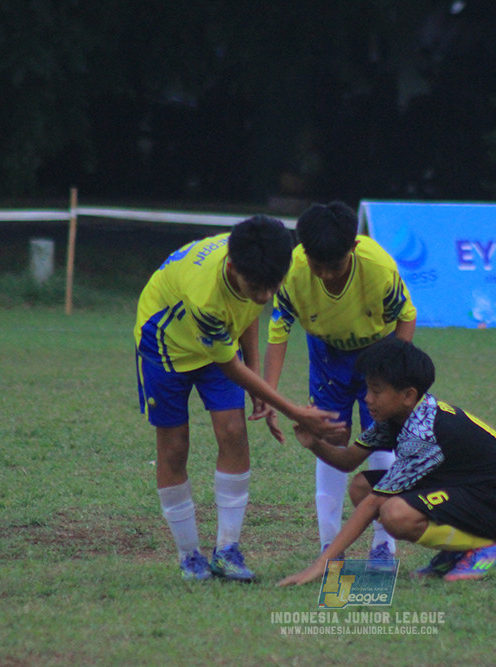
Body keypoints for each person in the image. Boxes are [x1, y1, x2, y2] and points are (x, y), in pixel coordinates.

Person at [134, 215, 345, 584]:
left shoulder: (257, 266)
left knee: (233, 432)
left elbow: (246, 311)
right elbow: (228, 364)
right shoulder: (206, 295)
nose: (264, 297)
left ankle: (227, 550)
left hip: (216, 342)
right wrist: (293, 410)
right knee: (174, 446)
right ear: (233, 269)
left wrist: (256, 374)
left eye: (271, 288)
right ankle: (189, 555)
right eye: (257, 287)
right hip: (164, 345)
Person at [277, 338, 496, 587]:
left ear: (408, 395)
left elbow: (375, 502)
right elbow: (348, 461)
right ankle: (457, 551)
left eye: (376, 391)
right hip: (461, 485)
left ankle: (487, 546)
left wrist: (323, 564)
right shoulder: (395, 417)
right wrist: (314, 443)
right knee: (361, 486)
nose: (367, 398)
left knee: (395, 514)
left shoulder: (421, 434)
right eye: (367, 389)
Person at [262, 201, 417, 564]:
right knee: (330, 436)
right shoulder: (292, 272)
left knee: (381, 437)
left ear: (353, 248)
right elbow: (278, 331)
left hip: (378, 353)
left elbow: (406, 316)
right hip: (328, 355)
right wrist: (268, 393)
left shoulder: (378, 268)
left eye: (335, 266)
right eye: (319, 267)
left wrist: (394, 374)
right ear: (305, 254)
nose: (327, 275)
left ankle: (383, 546)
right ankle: (330, 546)